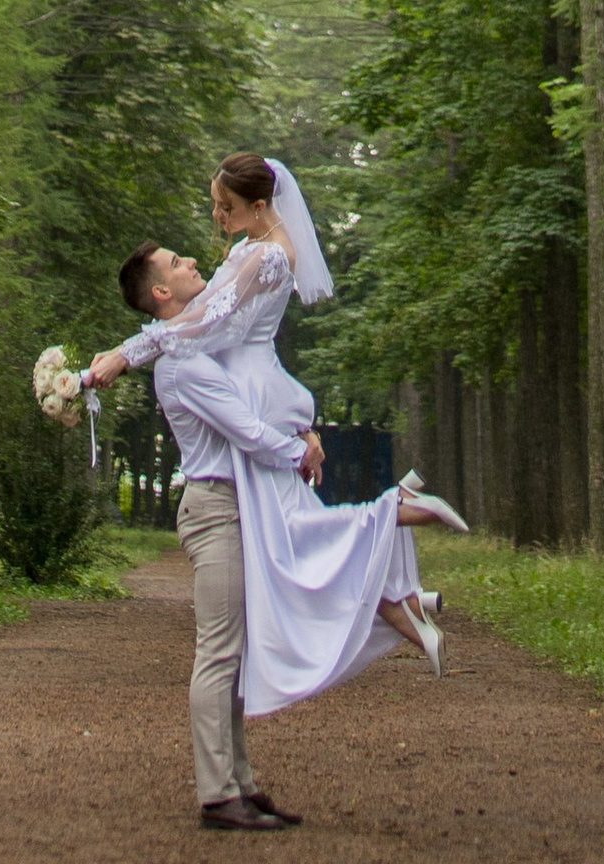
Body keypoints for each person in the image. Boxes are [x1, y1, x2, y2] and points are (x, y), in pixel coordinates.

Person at [86, 152, 467, 834]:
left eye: (224, 208)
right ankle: (219, 793)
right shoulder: (185, 364)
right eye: (175, 263)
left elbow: (231, 343)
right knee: (220, 651)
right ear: (161, 295)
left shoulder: (213, 325)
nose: (199, 251)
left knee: (246, 639)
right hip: (217, 506)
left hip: (242, 500)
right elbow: (242, 420)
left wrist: (299, 431)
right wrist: (298, 446)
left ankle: (241, 780)